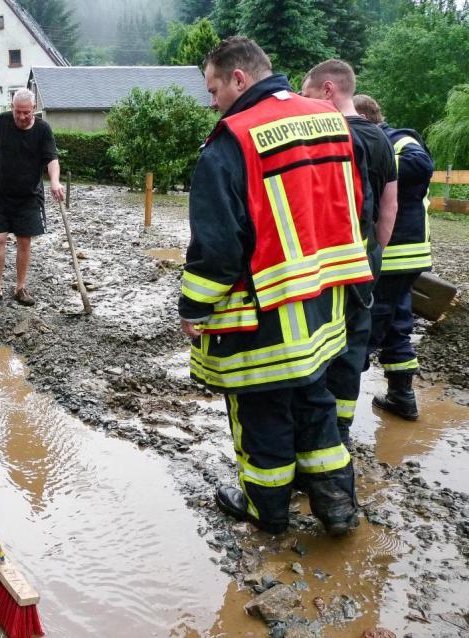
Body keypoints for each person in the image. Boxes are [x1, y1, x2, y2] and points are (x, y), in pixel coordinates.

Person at [180, 37, 373, 536]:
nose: (213, 100)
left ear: (239, 79)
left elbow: (219, 244)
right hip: (325, 303)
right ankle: (337, 508)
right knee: (315, 403)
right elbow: (360, 207)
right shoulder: (331, 121)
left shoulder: (233, 139)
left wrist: (194, 306)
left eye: (214, 88)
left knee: (260, 408)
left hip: (263, 310)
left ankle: (266, 510)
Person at [302, 60, 398, 446]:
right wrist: (375, 251)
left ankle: (316, 431)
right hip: (368, 255)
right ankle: (341, 431)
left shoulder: (330, 137)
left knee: (321, 341)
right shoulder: (381, 139)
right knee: (354, 341)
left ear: (328, 90)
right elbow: (390, 205)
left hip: (330, 259)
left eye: (307, 95)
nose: (305, 104)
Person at [354, 94, 434, 420]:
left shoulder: (399, 140)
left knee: (366, 325)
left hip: (395, 253)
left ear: (364, 118)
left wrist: (377, 163)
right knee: (398, 324)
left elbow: (422, 164)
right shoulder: (384, 142)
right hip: (404, 255)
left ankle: (334, 400)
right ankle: (402, 396)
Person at [0, 88, 64, 306]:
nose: (21, 117)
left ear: (34, 110)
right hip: (1, 194)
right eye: (17, 112)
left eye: (26, 113)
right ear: (12, 108)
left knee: (23, 241)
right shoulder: (1, 122)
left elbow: (52, 159)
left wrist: (55, 181)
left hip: (29, 197)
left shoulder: (43, 130)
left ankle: (20, 288)